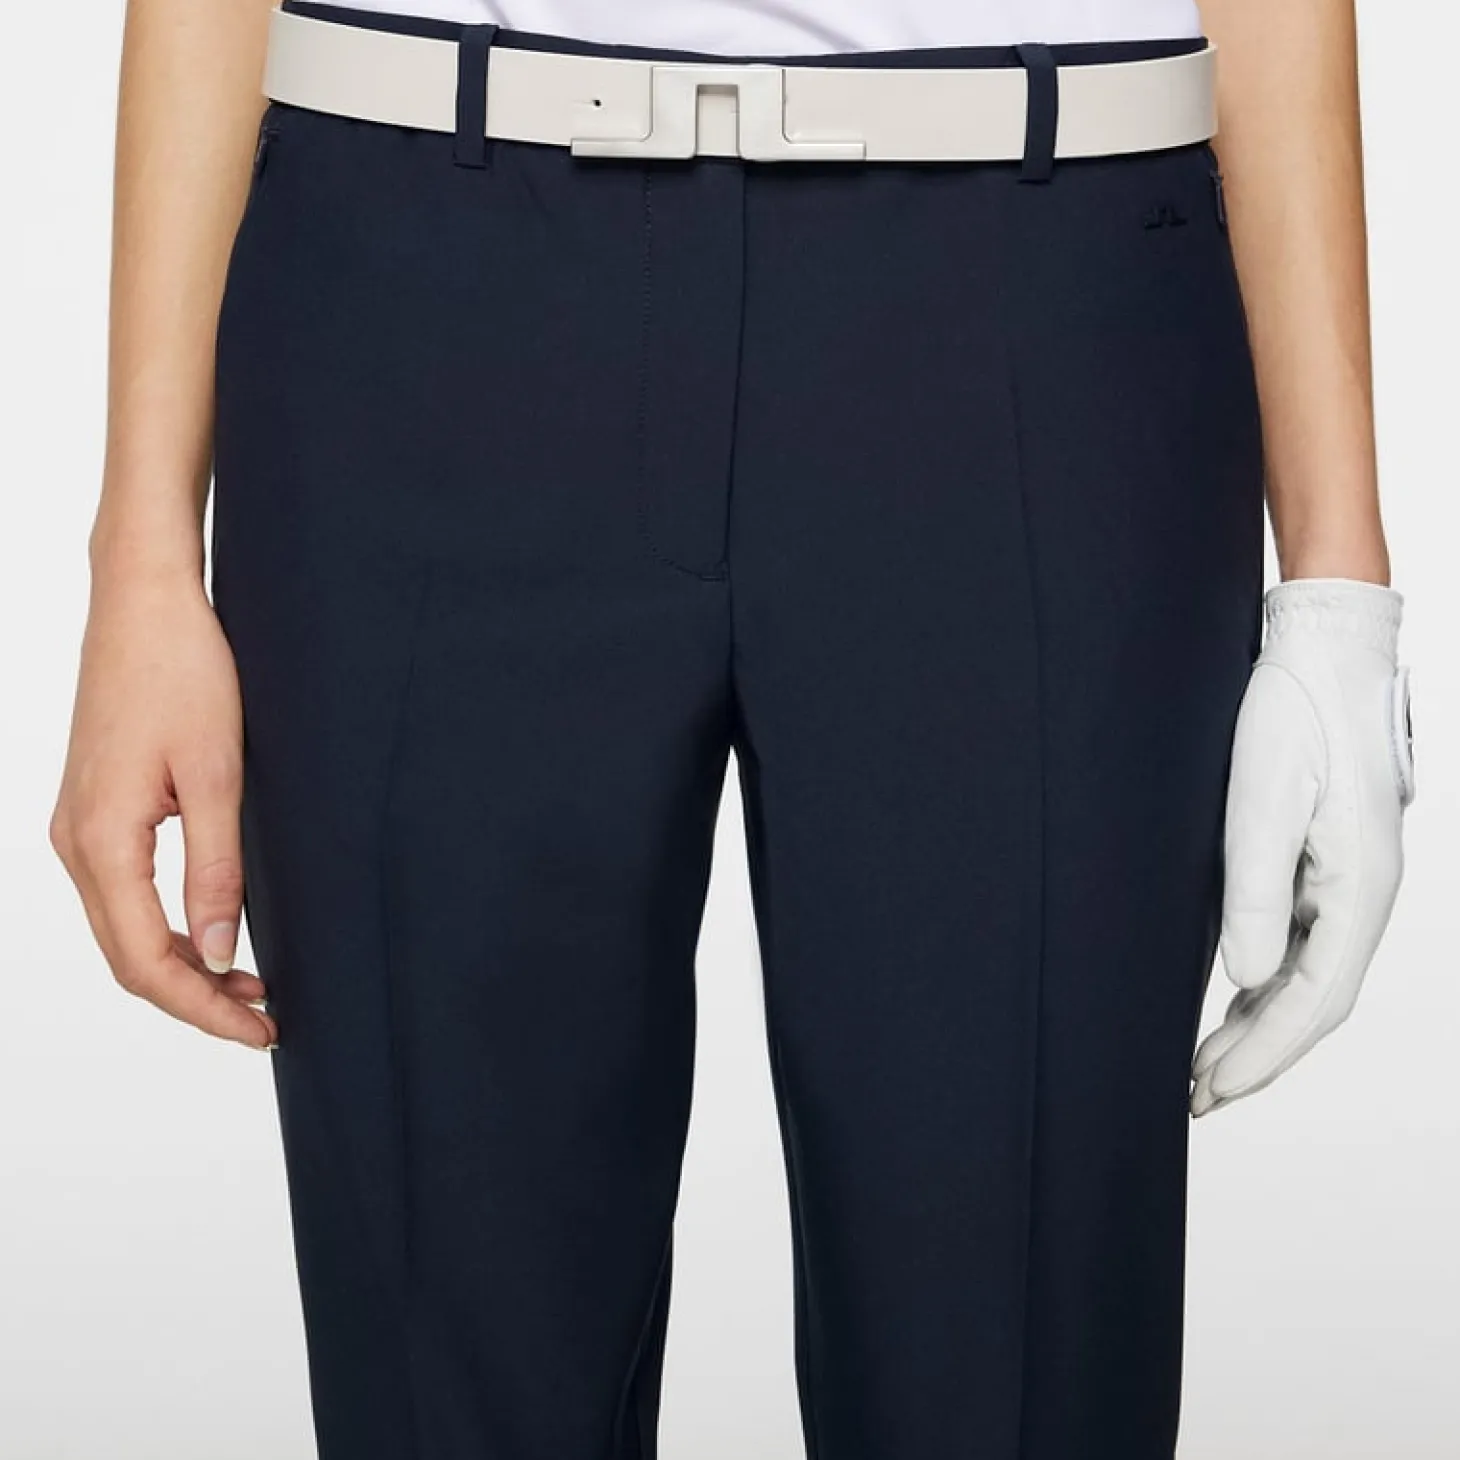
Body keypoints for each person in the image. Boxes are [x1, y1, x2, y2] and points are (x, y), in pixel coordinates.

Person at [49, 1, 1413, 1456]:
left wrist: (1339, 590)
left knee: (1012, 1367)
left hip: (1039, 297)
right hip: (430, 288)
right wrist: (141, 553)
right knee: (446, 1374)